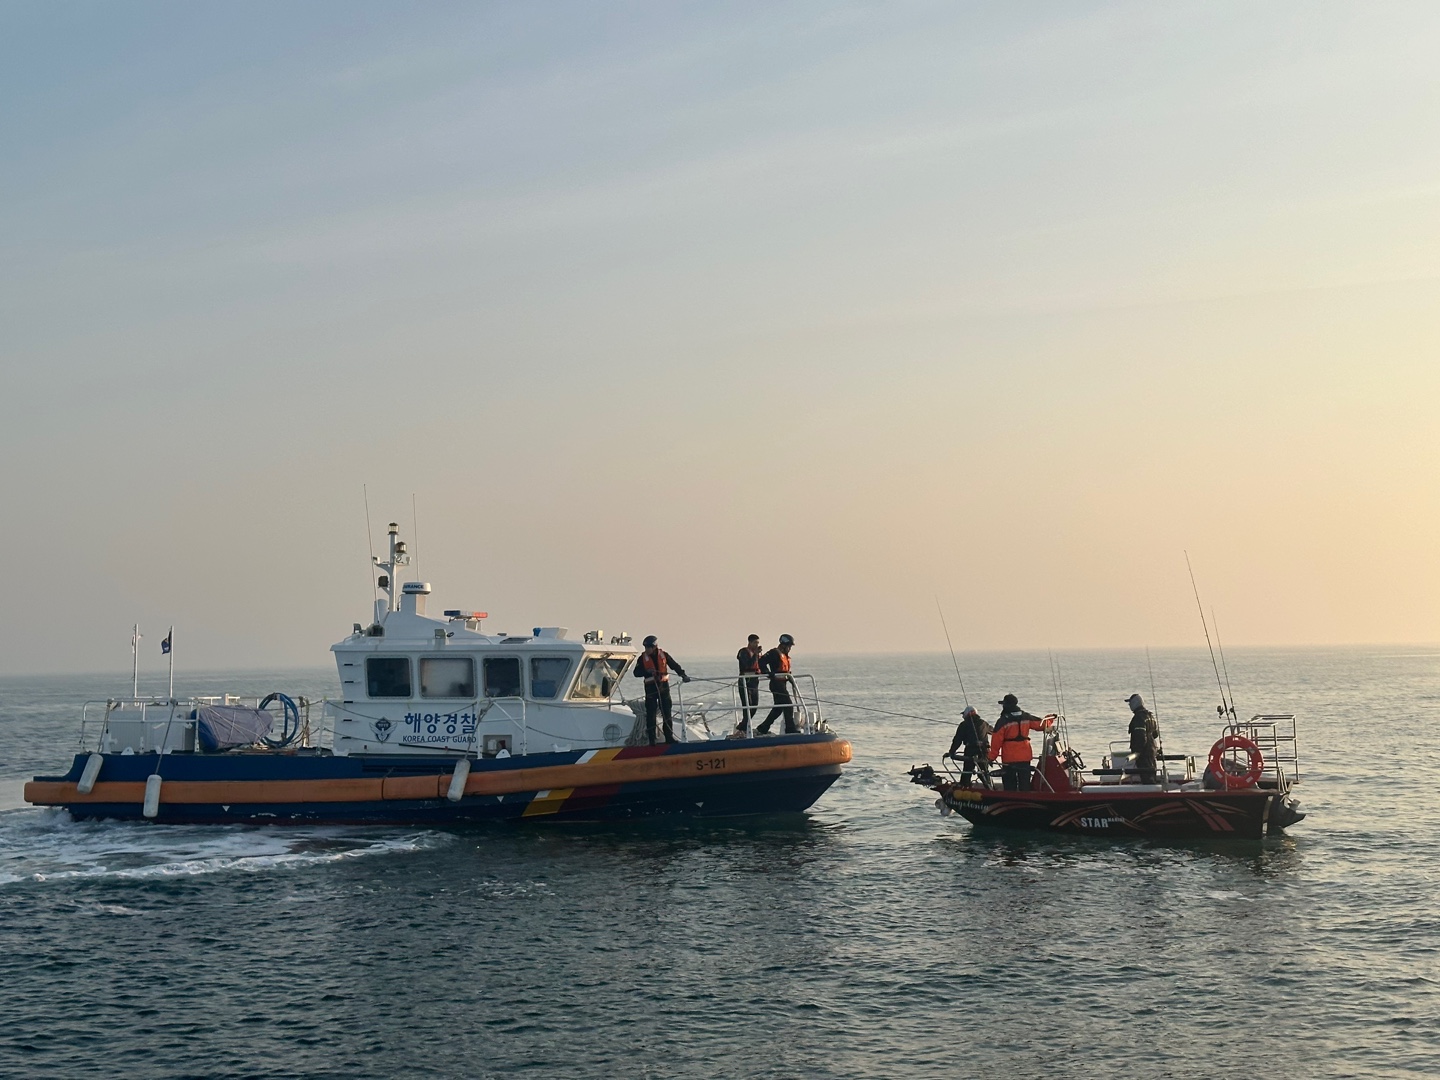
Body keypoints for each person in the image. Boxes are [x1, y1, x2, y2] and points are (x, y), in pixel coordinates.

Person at [632, 635, 690, 744]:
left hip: (664, 687)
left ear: (654, 647)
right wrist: (646, 671)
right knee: (651, 714)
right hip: (651, 689)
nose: (646, 649)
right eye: (645, 647)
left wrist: (683, 675)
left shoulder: (664, 655)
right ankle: (652, 740)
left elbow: (674, 666)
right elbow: (636, 673)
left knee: (667, 712)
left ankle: (669, 738)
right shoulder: (642, 658)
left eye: (649, 647)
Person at [988, 694, 1053, 791]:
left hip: (1009, 757)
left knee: (1010, 783)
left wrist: (991, 758)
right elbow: (1042, 725)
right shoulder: (1026, 717)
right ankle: (1026, 798)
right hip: (1025, 755)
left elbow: (996, 742)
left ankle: (1011, 800)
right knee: (1024, 782)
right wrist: (1050, 718)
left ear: (1006, 705)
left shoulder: (1002, 721)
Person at [754, 634, 798, 735]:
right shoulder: (774, 653)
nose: (790, 649)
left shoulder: (784, 655)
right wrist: (768, 673)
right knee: (788, 705)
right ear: (783, 645)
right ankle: (790, 729)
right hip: (776, 684)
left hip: (782, 683)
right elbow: (761, 662)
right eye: (789, 646)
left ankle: (763, 728)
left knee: (778, 708)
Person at [947, 705, 992, 788]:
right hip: (984, 750)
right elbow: (993, 731)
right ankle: (989, 786)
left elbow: (957, 740)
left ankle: (964, 786)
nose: (963, 716)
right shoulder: (984, 723)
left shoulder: (963, 725)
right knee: (984, 770)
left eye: (963, 714)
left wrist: (951, 752)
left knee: (967, 771)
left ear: (967, 714)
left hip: (970, 750)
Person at [731, 634, 763, 737]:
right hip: (745, 682)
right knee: (747, 706)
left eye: (758, 643)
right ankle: (742, 729)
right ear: (749, 642)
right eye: (755, 643)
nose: (756, 645)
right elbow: (748, 664)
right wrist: (755, 655)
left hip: (754, 682)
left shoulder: (756, 654)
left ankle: (742, 727)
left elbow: (760, 664)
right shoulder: (743, 652)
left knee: (754, 706)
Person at [1126, 693, 1160, 784]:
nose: (1129, 705)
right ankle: (1152, 787)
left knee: (1146, 775)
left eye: (1130, 703)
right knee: (1151, 772)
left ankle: (1149, 791)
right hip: (1152, 749)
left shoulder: (1139, 718)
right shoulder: (1150, 716)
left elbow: (1140, 737)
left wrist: (1137, 752)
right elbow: (1155, 734)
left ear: (1135, 703)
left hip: (1144, 753)